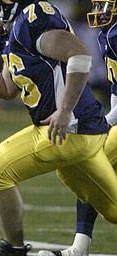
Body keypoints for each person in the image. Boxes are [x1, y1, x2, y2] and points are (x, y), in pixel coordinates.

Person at [0, 0, 117, 255]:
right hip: (69, 131)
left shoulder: (31, 20)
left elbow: (79, 54)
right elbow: (7, 87)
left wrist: (65, 109)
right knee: (113, 210)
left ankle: (14, 249)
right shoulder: (12, 33)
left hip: (70, 129)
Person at [38, 1, 117, 255]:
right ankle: (80, 247)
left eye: (108, 4)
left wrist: (104, 123)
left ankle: (80, 247)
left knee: (91, 159)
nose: (101, 9)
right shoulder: (109, 33)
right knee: (89, 163)